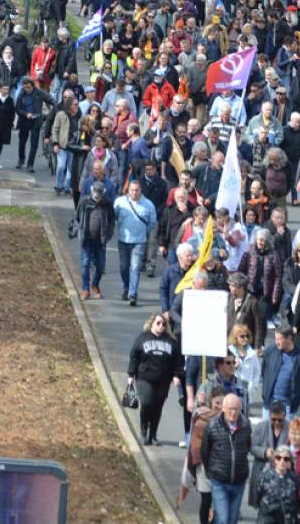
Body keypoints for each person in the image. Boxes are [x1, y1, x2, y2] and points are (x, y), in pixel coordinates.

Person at [126, 312, 180, 445]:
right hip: (145, 378)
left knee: (158, 407)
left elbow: (177, 360)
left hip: (163, 380)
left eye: (163, 324)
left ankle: (153, 435)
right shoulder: (142, 338)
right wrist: (130, 375)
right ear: (152, 324)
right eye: (158, 323)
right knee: (147, 403)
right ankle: (144, 431)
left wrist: (176, 375)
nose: (161, 326)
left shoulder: (170, 341)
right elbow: (134, 356)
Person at [202, 393, 253, 524]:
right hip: (219, 480)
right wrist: (210, 472)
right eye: (230, 408)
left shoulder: (246, 426)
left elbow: (247, 447)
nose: (233, 412)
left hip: (239, 481)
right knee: (223, 519)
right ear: (223, 409)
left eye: (236, 409)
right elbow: (205, 451)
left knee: (232, 519)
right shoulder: (212, 426)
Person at [113, 179, 157, 307]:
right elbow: (113, 217)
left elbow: (152, 222)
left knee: (135, 267)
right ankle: (126, 287)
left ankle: (133, 294)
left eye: (137, 190)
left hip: (139, 242)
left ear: (140, 191)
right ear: (128, 190)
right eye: (132, 190)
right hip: (123, 240)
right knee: (123, 267)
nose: (134, 192)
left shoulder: (148, 205)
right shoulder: (120, 202)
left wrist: (143, 232)